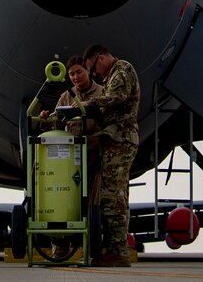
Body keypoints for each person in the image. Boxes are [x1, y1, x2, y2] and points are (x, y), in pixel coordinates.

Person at [77, 42, 140, 267]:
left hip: (120, 138)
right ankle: (117, 248)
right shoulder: (115, 73)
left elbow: (116, 97)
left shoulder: (121, 70)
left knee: (112, 196)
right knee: (116, 194)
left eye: (93, 68)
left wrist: (88, 104)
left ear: (101, 58)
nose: (94, 74)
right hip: (115, 139)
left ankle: (118, 250)